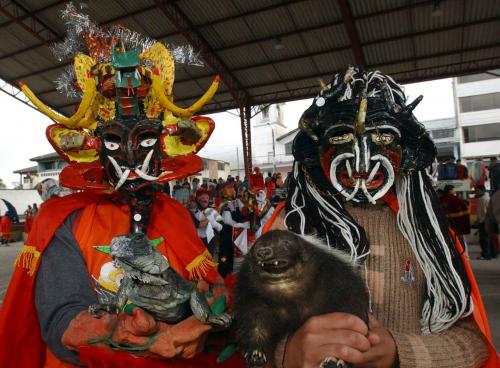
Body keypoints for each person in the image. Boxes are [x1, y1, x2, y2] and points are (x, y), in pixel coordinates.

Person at [0, 7, 244, 368]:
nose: (131, 158)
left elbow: (206, 291)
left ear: (165, 146)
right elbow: (61, 318)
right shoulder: (62, 219)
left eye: (145, 140)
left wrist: (219, 309)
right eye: (113, 144)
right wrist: (125, 334)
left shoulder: (175, 215)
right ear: (92, 149)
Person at [263, 67, 498, 368]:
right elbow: (250, 334)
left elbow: (473, 341)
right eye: (341, 134)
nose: (361, 162)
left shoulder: (425, 231)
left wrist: (400, 352)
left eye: (384, 135)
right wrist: (287, 354)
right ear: (316, 145)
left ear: (409, 148)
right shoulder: (291, 226)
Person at [190, 188, 223, 258]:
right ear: (198, 200)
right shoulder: (193, 212)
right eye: (202, 198)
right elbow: (197, 225)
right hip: (197, 242)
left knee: (209, 259)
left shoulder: (212, 210)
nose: (205, 199)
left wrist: (215, 224)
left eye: (207, 197)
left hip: (210, 241)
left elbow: (221, 226)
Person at [474, 185, 496, 260]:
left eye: (476, 191)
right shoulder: (483, 198)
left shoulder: (484, 199)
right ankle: (492, 254)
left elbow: (486, 212)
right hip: (485, 221)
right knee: (488, 238)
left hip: (485, 222)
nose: (475, 193)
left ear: (481, 191)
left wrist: (481, 221)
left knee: (484, 239)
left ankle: (486, 255)